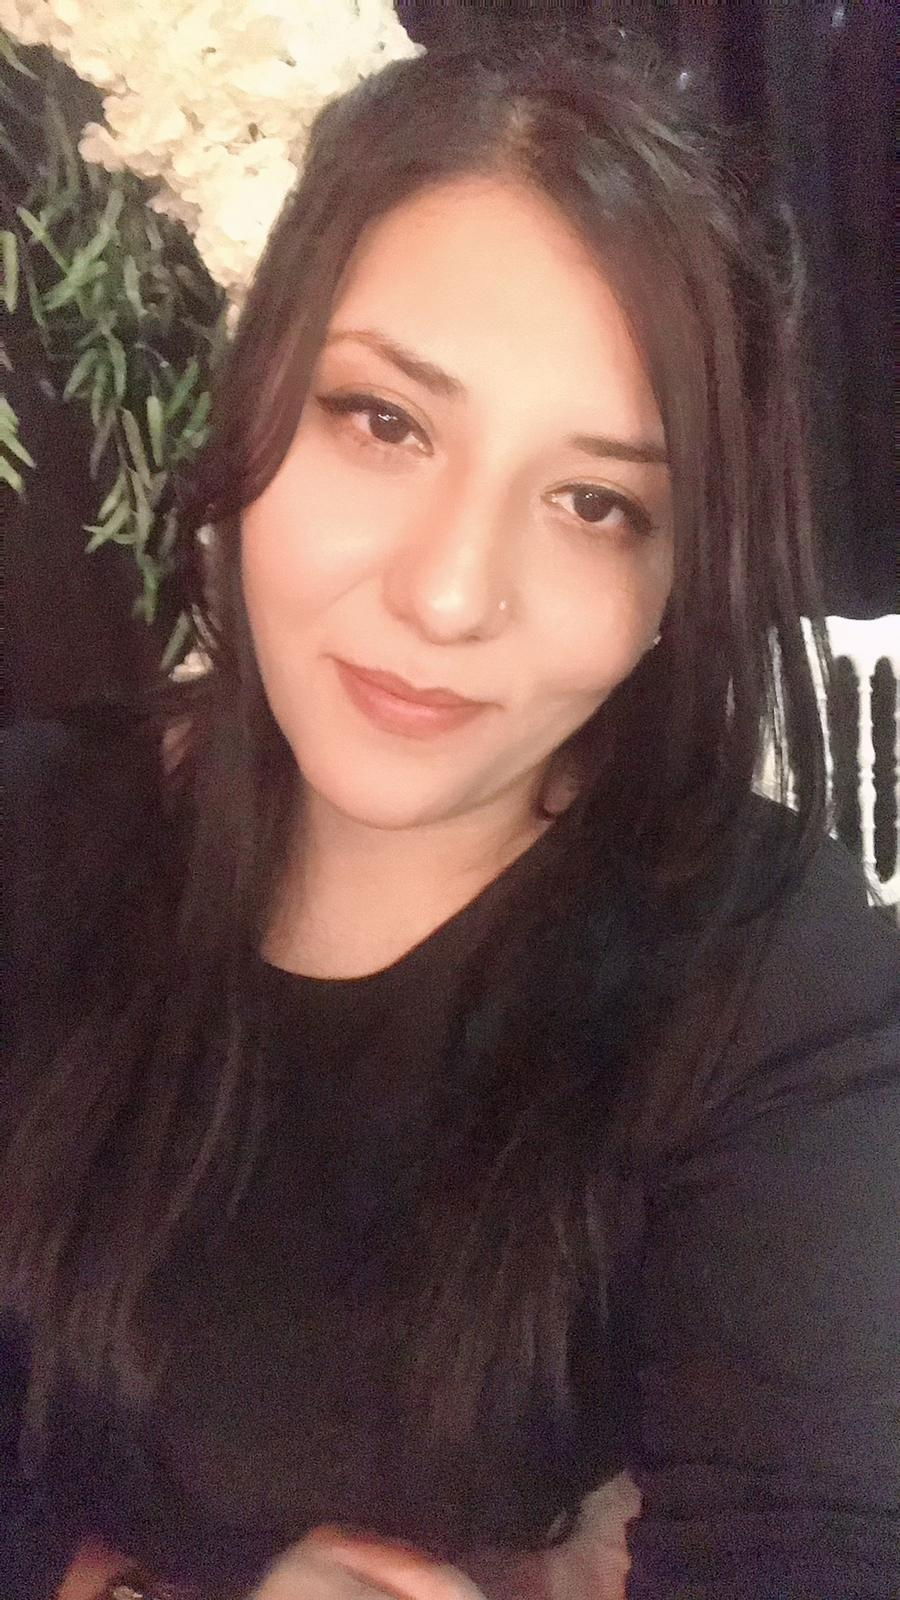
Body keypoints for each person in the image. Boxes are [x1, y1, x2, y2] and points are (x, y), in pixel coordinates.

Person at [2, 22, 898, 1600]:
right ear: (260, 401)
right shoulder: (33, 836)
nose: (450, 593)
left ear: (675, 585)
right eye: (384, 420)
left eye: (595, 503)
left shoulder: (777, 989)